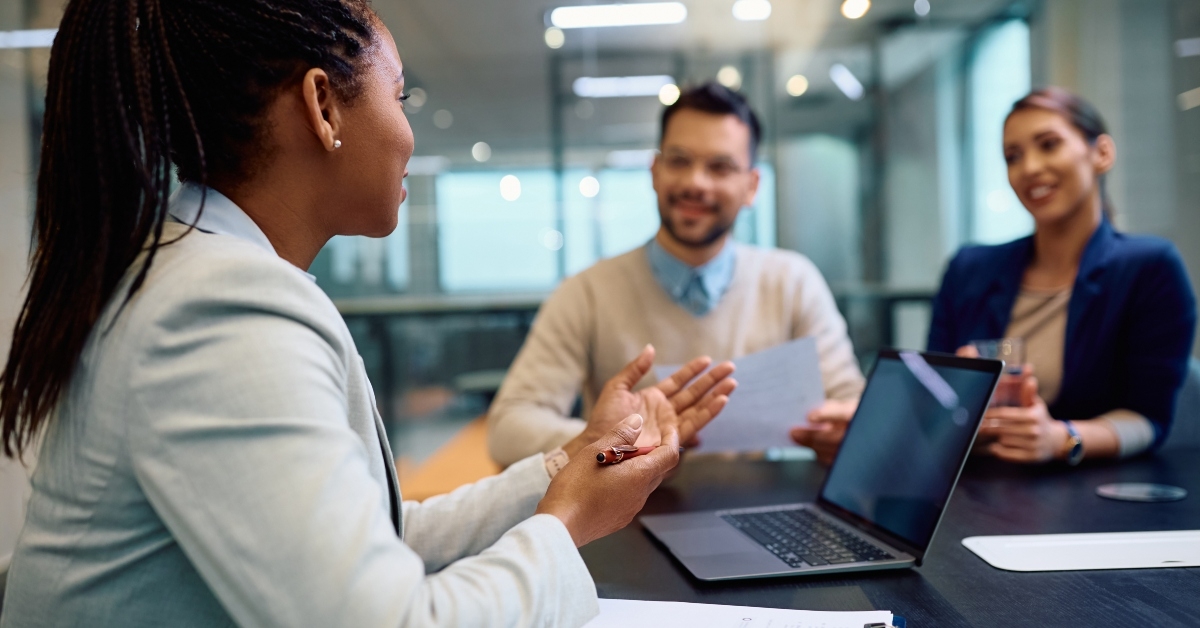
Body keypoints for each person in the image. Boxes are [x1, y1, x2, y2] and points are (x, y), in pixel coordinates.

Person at [0, 2, 735, 626]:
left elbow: (381, 539)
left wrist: (580, 459)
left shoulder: (203, 276)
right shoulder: (217, 310)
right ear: (323, 107)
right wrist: (568, 521)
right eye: (401, 96)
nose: (411, 133)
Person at [796, 87, 1197, 465]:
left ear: (1102, 153)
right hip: (976, 482)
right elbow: (932, 401)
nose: (1030, 168)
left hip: (1091, 487)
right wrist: (877, 416)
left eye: (1049, 145)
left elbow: (1149, 420)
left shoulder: (1149, 268)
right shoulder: (969, 269)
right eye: (1012, 156)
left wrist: (1062, 439)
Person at [487, 82, 864, 466]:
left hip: (763, 497)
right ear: (655, 171)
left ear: (751, 187)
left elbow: (853, 405)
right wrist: (616, 443)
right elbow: (508, 429)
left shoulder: (792, 283)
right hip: (625, 504)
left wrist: (848, 433)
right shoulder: (587, 292)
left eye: (720, 167)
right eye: (679, 161)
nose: (695, 182)